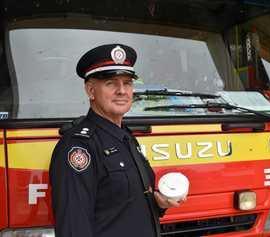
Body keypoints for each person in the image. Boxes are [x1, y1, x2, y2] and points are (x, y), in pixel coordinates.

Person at [49, 44, 183, 237]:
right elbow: (73, 227)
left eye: (127, 83)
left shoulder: (126, 137)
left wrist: (159, 204)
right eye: (111, 83)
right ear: (90, 91)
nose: (122, 90)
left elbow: (122, 207)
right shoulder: (79, 147)